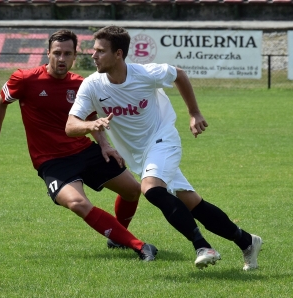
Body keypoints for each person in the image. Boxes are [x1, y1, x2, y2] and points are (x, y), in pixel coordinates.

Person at [65, 25, 262, 270]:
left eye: (100, 51)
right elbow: (70, 125)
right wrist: (92, 123)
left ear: (118, 54)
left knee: (151, 189)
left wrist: (194, 113)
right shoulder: (92, 85)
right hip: (139, 155)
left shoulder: (146, 73)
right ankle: (247, 241)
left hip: (163, 139)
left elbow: (178, 74)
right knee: (192, 203)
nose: (93, 55)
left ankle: (202, 246)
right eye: (93, 50)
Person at [0, 29, 158, 261]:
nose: (62, 59)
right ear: (47, 53)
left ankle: (116, 235)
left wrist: (105, 145)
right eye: (57, 53)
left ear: (75, 56)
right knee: (78, 203)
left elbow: (90, 119)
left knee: (132, 190)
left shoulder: (81, 84)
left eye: (68, 54)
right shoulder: (25, 79)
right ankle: (139, 246)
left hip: (84, 151)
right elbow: (1, 102)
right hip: (52, 162)